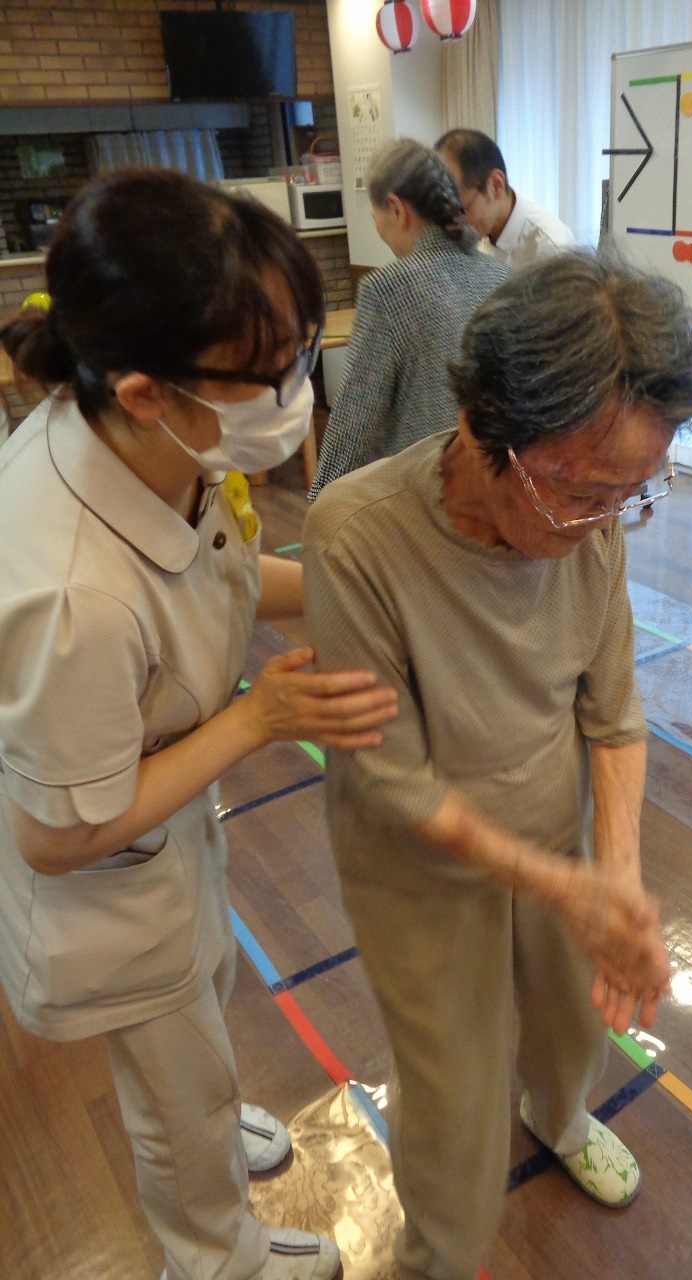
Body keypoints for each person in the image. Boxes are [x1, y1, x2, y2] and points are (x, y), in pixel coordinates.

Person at [0, 168, 400, 1280]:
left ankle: (214, 1124)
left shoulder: (163, 448)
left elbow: (221, 573)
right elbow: (58, 835)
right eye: (270, 376)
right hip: (106, 871)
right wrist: (259, 717)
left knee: (207, 999)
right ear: (145, 391)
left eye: (301, 354)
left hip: (163, 828)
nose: (295, 391)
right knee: (175, 1091)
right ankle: (216, 1256)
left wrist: (357, 586)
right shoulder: (71, 591)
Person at [302, 249, 692, 1280]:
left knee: (577, 1026)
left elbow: (612, 715)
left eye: (632, 492)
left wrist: (613, 878)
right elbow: (396, 784)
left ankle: (561, 1115)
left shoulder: (592, 525)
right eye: (580, 487)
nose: (603, 521)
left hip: (551, 840)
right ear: (485, 427)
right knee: (456, 1113)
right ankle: (434, 1258)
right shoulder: (356, 535)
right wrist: (572, 888)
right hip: (419, 875)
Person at [307, 138, 510, 499]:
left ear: (396, 209)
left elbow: (355, 417)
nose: (378, 228)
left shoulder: (388, 289)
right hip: (502, 487)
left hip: (427, 495)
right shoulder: (503, 277)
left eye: (375, 217)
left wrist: (321, 501)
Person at [436, 127, 576, 269]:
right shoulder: (473, 233)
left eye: (461, 209)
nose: (452, 224)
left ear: (496, 185)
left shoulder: (552, 248)